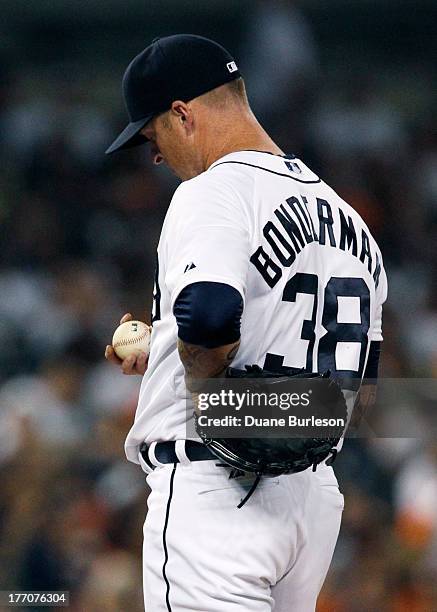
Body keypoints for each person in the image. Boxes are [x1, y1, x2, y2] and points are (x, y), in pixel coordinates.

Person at [105, 34, 387, 611]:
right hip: (310, 505)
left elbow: (210, 317)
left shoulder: (213, 190)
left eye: (152, 134)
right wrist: (165, 350)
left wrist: (211, 398)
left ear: (182, 114)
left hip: (217, 494)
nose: (154, 155)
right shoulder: (348, 218)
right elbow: (358, 395)